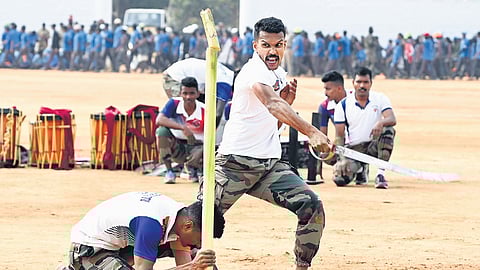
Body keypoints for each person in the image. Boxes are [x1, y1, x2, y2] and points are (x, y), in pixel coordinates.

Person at [197, 17, 330, 270]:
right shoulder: (254, 71)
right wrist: (312, 132)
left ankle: (303, 266)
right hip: (234, 166)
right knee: (198, 226)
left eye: (278, 45)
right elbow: (271, 103)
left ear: (284, 45)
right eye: (266, 45)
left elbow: (272, 117)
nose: (272, 51)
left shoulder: (278, 73)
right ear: (255, 46)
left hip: (269, 166)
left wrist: (286, 102)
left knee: (311, 206)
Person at [56, 192, 225, 270]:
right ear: (188, 226)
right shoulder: (152, 224)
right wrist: (192, 266)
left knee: (201, 259)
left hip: (118, 247)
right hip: (88, 251)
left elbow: (184, 262)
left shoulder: (178, 217)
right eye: (200, 239)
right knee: (196, 262)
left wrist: (195, 265)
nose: (200, 244)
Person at [333, 66, 396, 189]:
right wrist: (341, 160)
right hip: (354, 150)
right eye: (359, 82)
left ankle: (380, 174)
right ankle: (360, 169)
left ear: (371, 83)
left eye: (365, 82)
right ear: (353, 83)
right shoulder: (343, 104)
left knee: (388, 131)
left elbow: (392, 119)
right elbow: (339, 136)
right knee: (339, 180)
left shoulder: (380, 98)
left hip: (374, 145)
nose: (362, 85)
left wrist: (381, 123)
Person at [156, 77, 205, 184]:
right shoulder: (174, 103)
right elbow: (159, 120)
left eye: (192, 93)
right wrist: (183, 128)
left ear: (198, 94)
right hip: (177, 146)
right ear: (180, 93)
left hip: (197, 149)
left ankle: (194, 169)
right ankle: (169, 171)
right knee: (162, 132)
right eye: (185, 93)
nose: (188, 97)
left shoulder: (204, 109)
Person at [162, 57, 235, 126]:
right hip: (174, 77)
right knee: (185, 108)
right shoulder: (225, 82)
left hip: (186, 75)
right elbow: (218, 113)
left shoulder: (228, 73)